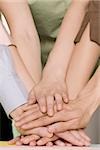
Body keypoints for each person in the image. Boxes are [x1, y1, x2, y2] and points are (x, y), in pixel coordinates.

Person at [0, 0, 99, 146]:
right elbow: (23, 30)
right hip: (30, 72)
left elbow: (91, 10)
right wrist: (32, 110)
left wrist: (67, 110)